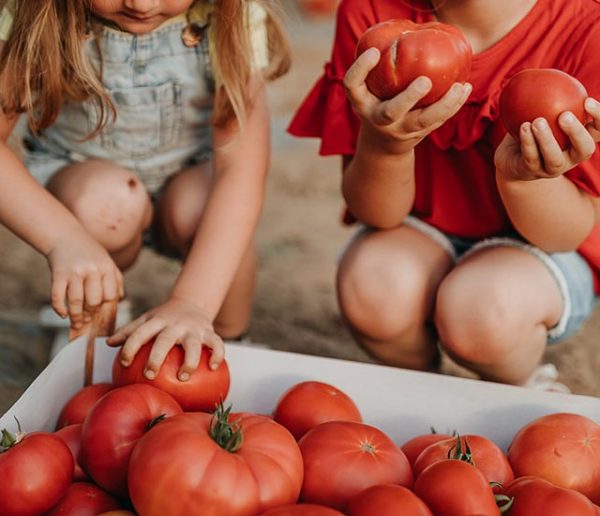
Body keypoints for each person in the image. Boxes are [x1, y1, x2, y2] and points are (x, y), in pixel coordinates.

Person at [289, 0, 600, 386]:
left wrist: (523, 179)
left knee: (485, 313)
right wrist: (387, 144)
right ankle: (423, 388)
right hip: (422, 230)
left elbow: (563, 236)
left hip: (542, 253)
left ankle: (514, 385)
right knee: (372, 288)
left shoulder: (587, 30)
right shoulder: (372, 14)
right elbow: (377, 214)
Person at [0, 0, 290, 381]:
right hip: (85, 180)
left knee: (213, 210)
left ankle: (228, 342)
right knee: (104, 202)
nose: (141, 3)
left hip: (188, 181)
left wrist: (191, 304)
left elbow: (240, 171)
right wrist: (63, 238)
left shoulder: (231, 14)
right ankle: (94, 330)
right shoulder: (35, 11)